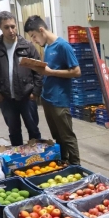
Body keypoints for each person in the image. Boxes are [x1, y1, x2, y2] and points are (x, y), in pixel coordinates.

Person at [23, 15, 81, 165]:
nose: (34, 40)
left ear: (41, 30)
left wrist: (51, 72)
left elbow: (76, 72)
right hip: (47, 98)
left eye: (34, 36)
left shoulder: (63, 46)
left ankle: (76, 166)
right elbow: (48, 70)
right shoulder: (48, 47)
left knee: (67, 136)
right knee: (57, 136)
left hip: (60, 99)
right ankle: (64, 162)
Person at [0, 11, 42, 146]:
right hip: (6, 98)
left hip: (27, 96)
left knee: (33, 130)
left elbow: (38, 70)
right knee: (14, 131)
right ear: (0, 27)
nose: (11, 30)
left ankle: (37, 159)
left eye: (13, 26)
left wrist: (36, 92)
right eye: (6, 27)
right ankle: (19, 161)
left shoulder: (27, 46)